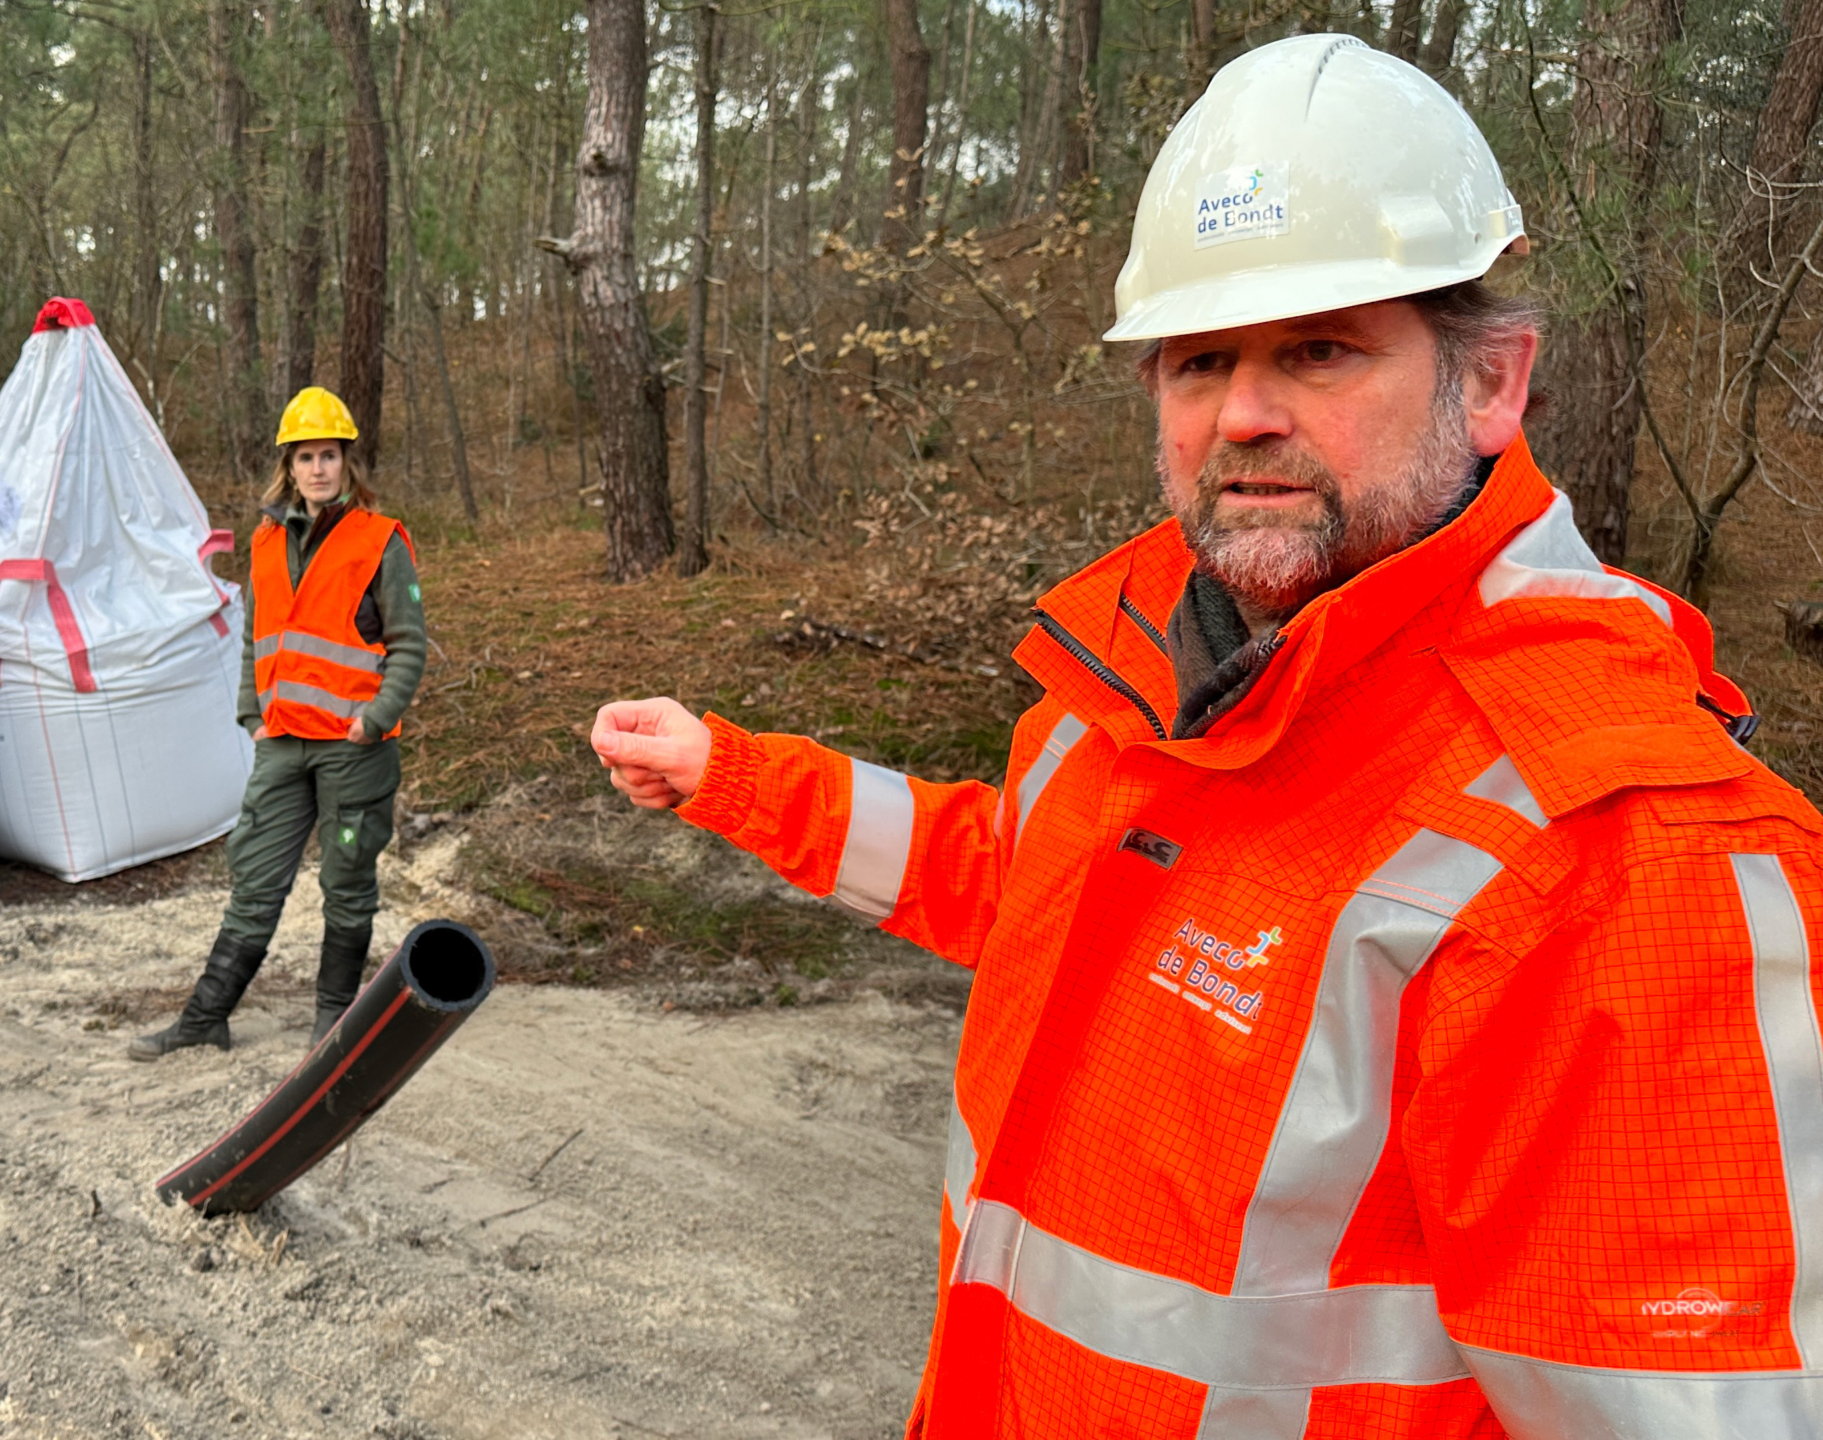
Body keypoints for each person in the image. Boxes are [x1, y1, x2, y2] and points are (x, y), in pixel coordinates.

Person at [592, 35, 1823, 1438]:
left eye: (1318, 350)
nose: (1244, 414)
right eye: (1198, 361)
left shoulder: (1620, 856)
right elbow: (1027, 881)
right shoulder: (1149, 673)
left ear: (1491, 383)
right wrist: (736, 778)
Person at [134, 386, 427, 1060]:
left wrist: (374, 719)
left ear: (346, 463)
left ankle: (334, 1023)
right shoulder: (267, 543)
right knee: (255, 877)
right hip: (283, 744)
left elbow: (409, 643)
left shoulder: (380, 541)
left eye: (329, 455)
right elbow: (253, 639)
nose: (319, 468)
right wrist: (251, 715)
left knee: (347, 882)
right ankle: (207, 1017)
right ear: (288, 466)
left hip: (354, 749)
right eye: (306, 457)